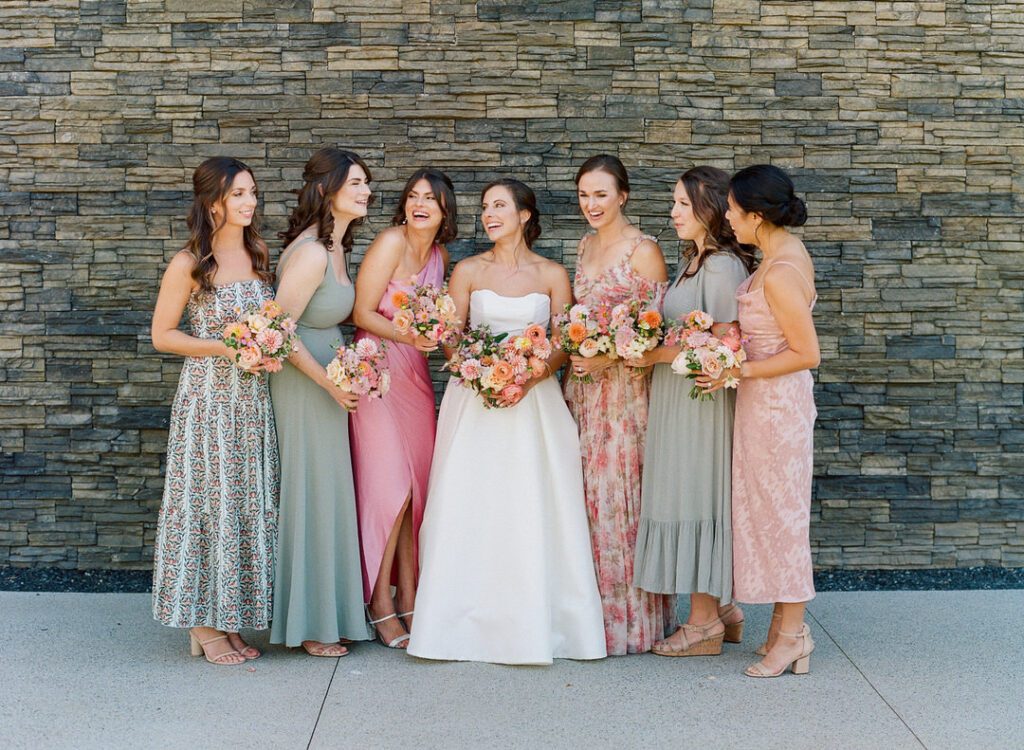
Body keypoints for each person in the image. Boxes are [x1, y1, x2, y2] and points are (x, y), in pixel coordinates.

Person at [407, 179, 606, 665]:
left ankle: (540, 622)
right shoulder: (468, 271)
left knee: (532, 502)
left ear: (524, 215)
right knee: (470, 502)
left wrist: (529, 377)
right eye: (485, 208)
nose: (489, 215)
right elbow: (451, 336)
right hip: (474, 400)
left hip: (534, 402)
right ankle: (457, 624)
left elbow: (566, 340)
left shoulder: (553, 274)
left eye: (500, 206)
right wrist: (482, 377)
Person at [150, 156, 278, 665]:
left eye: (252, 193)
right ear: (212, 202)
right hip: (208, 400)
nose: (249, 202)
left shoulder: (259, 253)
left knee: (244, 504)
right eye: (238, 194)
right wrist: (227, 348)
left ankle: (228, 617)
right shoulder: (190, 262)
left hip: (253, 403)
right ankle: (202, 626)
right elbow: (163, 335)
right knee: (207, 503)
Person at [628, 166, 757, 657]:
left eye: (683, 204)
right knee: (685, 493)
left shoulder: (722, 266)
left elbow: (727, 344)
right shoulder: (695, 261)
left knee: (694, 496)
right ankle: (724, 611)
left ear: (709, 208)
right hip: (678, 397)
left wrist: (654, 354)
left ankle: (703, 625)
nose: (674, 212)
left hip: (700, 403)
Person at [564, 155, 674, 655]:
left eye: (601, 194)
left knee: (620, 499)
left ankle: (631, 625)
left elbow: (656, 332)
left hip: (625, 396)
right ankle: (590, 621)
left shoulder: (644, 251)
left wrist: (606, 358)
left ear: (623, 196)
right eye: (585, 194)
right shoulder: (583, 245)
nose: (591, 204)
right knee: (586, 500)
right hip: (582, 393)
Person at [713, 164, 820, 677]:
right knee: (774, 513)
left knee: (783, 519)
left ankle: (794, 636)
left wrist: (741, 367)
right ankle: (783, 629)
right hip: (766, 406)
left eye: (733, 210)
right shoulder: (781, 254)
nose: (728, 218)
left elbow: (807, 352)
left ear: (756, 215)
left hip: (778, 409)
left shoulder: (779, 272)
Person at [268, 148, 373, 657]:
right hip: (305, 386)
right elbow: (277, 335)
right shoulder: (311, 252)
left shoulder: (337, 246)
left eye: (366, 184)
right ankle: (308, 624)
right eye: (356, 183)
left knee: (329, 491)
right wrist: (330, 384)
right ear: (329, 189)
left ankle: (330, 614)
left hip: (329, 383)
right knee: (311, 492)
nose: (366, 191)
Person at [350, 168, 455, 648]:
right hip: (376, 371)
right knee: (388, 486)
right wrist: (410, 335)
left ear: (444, 209)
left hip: (415, 379)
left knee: (416, 490)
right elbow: (362, 312)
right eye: (413, 196)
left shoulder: (440, 256)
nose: (420, 204)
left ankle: (410, 591)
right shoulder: (390, 242)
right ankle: (379, 601)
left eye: (430, 198)